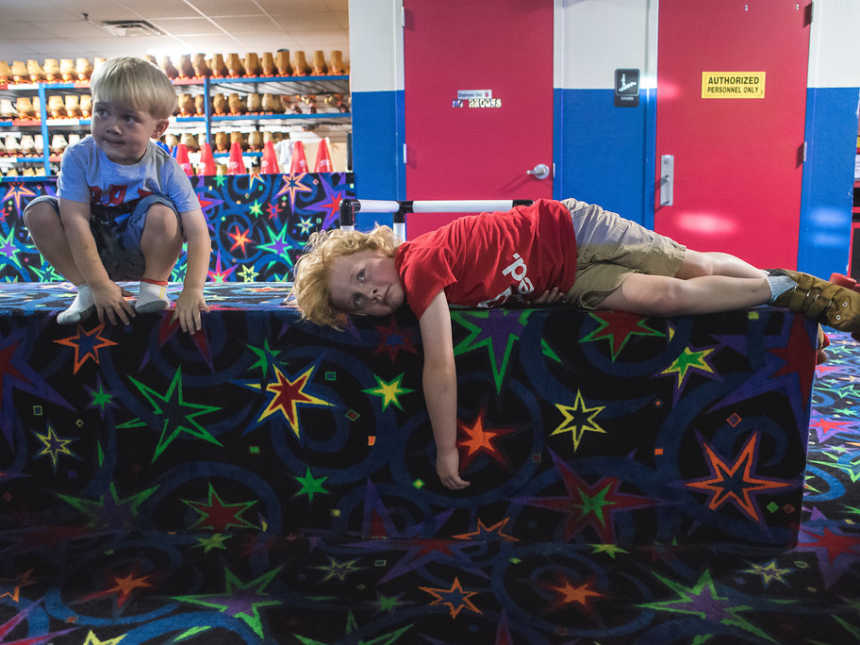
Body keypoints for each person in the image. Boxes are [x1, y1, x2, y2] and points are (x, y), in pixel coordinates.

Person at [289, 198, 860, 490]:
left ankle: (795, 288)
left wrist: (445, 449)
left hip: (575, 230)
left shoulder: (418, 269)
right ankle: (781, 286)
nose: (369, 296)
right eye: (356, 303)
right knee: (666, 299)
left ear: (374, 247)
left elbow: (440, 365)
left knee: (694, 265)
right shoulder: (410, 280)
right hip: (565, 282)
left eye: (362, 277)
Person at [23, 56, 211, 333]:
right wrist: (98, 284)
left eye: (129, 118)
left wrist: (192, 290)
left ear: (158, 128)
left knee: (162, 212)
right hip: (90, 254)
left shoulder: (165, 167)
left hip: (141, 254)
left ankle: (153, 287)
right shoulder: (78, 157)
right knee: (38, 211)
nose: (112, 126)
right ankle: (85, 290)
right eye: (102, 112)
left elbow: (198, 232)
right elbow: (75, 222)